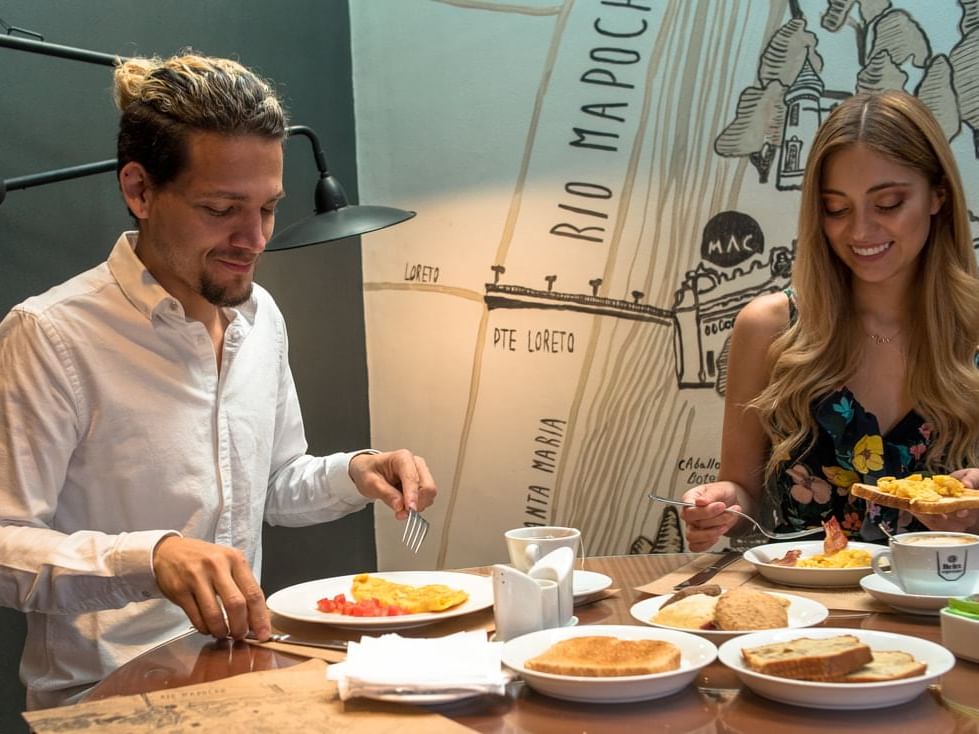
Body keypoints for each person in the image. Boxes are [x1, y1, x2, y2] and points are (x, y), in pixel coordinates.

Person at [0, 52, 436, 708]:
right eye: (222, 208)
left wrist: (358, 472)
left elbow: (270, 488)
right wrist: (152, 558)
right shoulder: (52, 335)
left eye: (266, 208)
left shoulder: (258, 317)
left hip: (242, 674)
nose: (254, 239)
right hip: (104, 700)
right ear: (140, 190)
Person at [682, 89, 979, 552]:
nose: (860, 231)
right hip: (803, 610)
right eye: (836, 208)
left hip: (943, 608)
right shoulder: (770, 327)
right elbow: (746, 499)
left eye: (888, 203)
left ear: (938, 194)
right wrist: (722, 507)